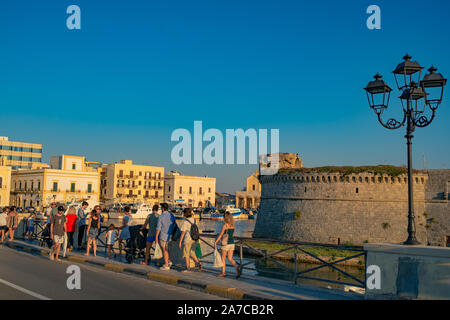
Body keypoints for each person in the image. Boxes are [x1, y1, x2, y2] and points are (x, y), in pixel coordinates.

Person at [214, 211, 240, 278]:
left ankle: (223, 273)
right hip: (232, 243)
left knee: (223, 258)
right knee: (230, 258)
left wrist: (216, 242)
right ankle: (236, 267)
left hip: (225, 244)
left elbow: (221, 234)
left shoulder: (225, 225)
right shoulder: (233, 225)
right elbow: (232, 234)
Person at [178, 207, 202, 272]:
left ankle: (188, 268)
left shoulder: (185, 221)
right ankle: (198, 263)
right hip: (194, 239)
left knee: (186, 254)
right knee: (192, 252)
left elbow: (183, 233)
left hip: (188, 239)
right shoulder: (194, 220)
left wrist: (180, 241)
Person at [155, 203, 176, 271]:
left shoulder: (161, 216)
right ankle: (168, 261)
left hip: (163, 236)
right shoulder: (171, 215)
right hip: (170, 236)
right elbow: (174, 225)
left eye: (161, 208)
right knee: (167, 249)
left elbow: (158, 228)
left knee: (164, 250)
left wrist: (156, 237)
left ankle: (166, 265)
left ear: (163, 208)